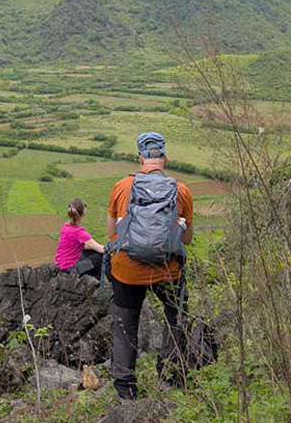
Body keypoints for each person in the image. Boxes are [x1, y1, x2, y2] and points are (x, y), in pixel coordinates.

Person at [107, 132, 193, 400]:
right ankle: (169, 374)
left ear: (140, 158)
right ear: (165, 157)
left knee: (125, 323)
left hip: (127, 271)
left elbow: (112, 234)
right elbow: (186, 239)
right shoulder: (181, 190)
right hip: (168, 270)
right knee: (175, 316)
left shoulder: (122, 187)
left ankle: (125, 387)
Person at [54, 198, 105, 278]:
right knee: (101, 256)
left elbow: (82, 246)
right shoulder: (79, 232)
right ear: (82, 214)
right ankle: (98, 281)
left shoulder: (65, 226)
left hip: (60, 266)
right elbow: (101, 249)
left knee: (91, 251)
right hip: (70, 271)